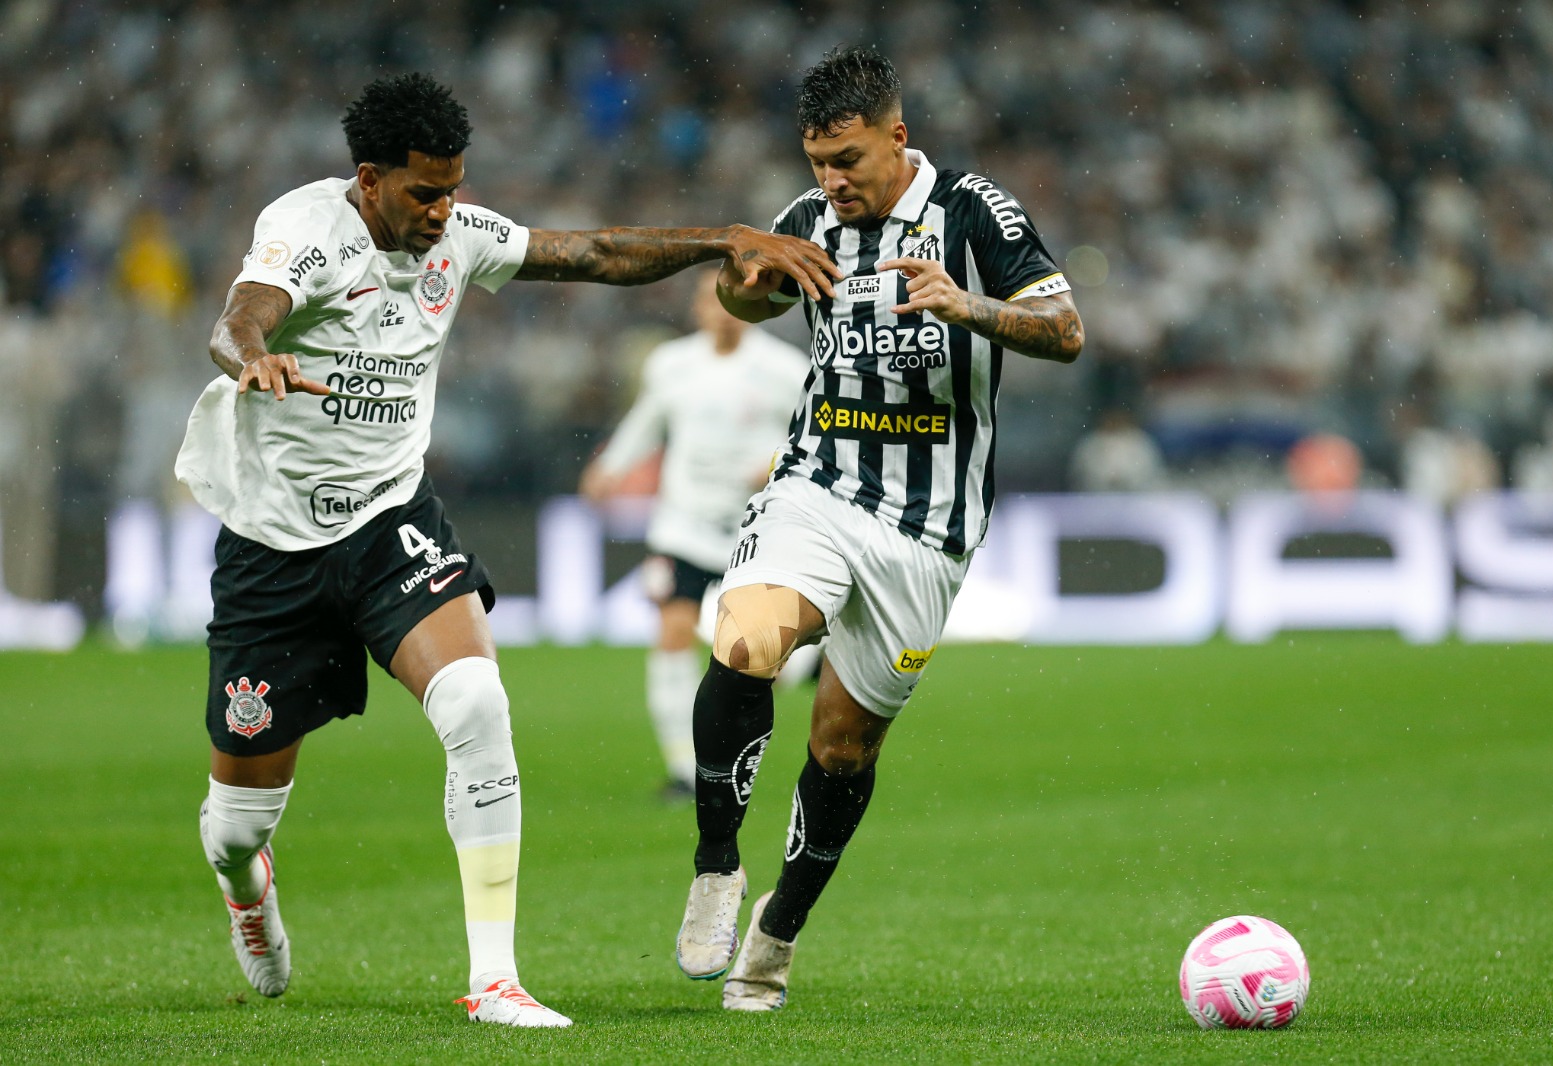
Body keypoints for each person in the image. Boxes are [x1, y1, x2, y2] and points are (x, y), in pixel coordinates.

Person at [176, 72, 838, 1030]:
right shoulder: (306, 229)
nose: (445, 210)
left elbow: (599, 252)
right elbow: (239, 317)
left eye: (455, 187)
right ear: (368, 179)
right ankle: (249, 887)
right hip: (271, 549)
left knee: (479, 701)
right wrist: (254, 356)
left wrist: (725, 238)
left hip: (388, 522)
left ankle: (495, 980)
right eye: (424, 191)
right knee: (237, 828)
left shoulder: (460, 235)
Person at [672, 47, 1084, 1011]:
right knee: (747, 639)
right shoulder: (808, 221)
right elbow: (750, 299)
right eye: (817, 161)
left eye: (848, 159)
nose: (831, 181)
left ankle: (773, 939)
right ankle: (717, 868)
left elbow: (1064, 330)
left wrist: (967, 304)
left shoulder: (975, 211)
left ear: (898, 138)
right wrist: (745, 279)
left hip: (928, 528)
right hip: (816, 481)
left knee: (844, 749)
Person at [580, 270, 813, 800]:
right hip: (682, 523)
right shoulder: (672, 364)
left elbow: (812, 434)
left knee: (761, 657)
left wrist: (772, 462)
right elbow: (648, 421)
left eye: (734, 302)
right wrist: (610, 466)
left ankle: (801, 668)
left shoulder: (783, 368)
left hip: (754, 527)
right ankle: (684, 769)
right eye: (712, 301)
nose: (722, 310)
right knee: (672, 634)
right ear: (697, 309)